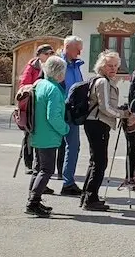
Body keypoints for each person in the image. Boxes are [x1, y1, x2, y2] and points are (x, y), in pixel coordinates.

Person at [81, 50, 129, 211]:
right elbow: (105, 107)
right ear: (102, 66)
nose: (113, 68)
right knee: (100, 162)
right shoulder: (102, 82)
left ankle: (88, 196)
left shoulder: (106, 81)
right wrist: (123, 114)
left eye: (115, 65)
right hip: (97, 123)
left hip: (98, 123)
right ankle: (91, 198)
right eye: (109, 65)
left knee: (96, 161)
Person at [26, 55, 70, 218]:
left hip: (36, 132)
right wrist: (65, 129)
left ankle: (33, 200)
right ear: (59, 73)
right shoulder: (54, 90)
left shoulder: (39, 84)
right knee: (47, 169)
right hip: (48, 135)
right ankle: (33, 202)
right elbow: (53, 116)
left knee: (38, 169)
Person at [55, 35, 85, 197]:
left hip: (72, 112)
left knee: (73, 147)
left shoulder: (76, 65)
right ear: (67, 47)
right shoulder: (57, 64)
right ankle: (40, 183)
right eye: (77, 48)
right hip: (58, 110)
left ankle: (68, 182)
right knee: (49, 147)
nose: (80, 52)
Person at [19, 44, 54, 176]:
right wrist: (37, 87)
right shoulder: (32, 67)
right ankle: (29, 164)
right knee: (29, 135)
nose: (49, 56)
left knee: (42, 136)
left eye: (51, 54)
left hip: (45, 104)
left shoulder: (52, 66)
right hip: (32, 105)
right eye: (46, 54)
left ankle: (40, 164)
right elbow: (23, 85)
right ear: (39, 55)